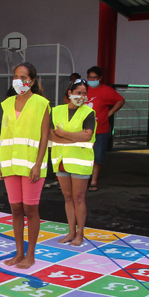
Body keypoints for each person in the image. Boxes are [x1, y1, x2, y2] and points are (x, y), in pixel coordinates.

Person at [0, 61, 51, 268]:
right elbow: (4, 134)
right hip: (10, 164)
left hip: (31, 166)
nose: (19, 81)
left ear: (32, 81)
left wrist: (38, 164)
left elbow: (45, 137)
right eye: (16, 77)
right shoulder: (7, 103)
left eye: (24, 78)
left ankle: (31, 255)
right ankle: (19, 253)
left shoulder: (41, 103)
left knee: (31, 209)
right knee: (16, 209)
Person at [49, 78, 96, 246]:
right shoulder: (56, 111)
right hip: (61, 160)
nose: (81, 96)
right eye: (78, 93)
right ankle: (71, 232)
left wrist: (64, 134)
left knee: (78, 197)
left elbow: (87, 135)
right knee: (68, 197)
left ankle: (80, 233)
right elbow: (51, 134)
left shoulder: (88, 112)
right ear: (70, 93)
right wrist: (73, 137)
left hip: (80, 161)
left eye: (84, 93)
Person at [85, 65, 125, 191]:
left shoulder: (107, 90)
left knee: (97, 156)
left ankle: (94, 180)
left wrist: (110, 113)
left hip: (100, 129)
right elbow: (67, 99)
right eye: (90, 77)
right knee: (83, 156)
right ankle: (83, 179)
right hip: (82, 130)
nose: (92, 80)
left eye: (95, 78)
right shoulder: (82, 88)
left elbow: (120, 101)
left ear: (100, 78)